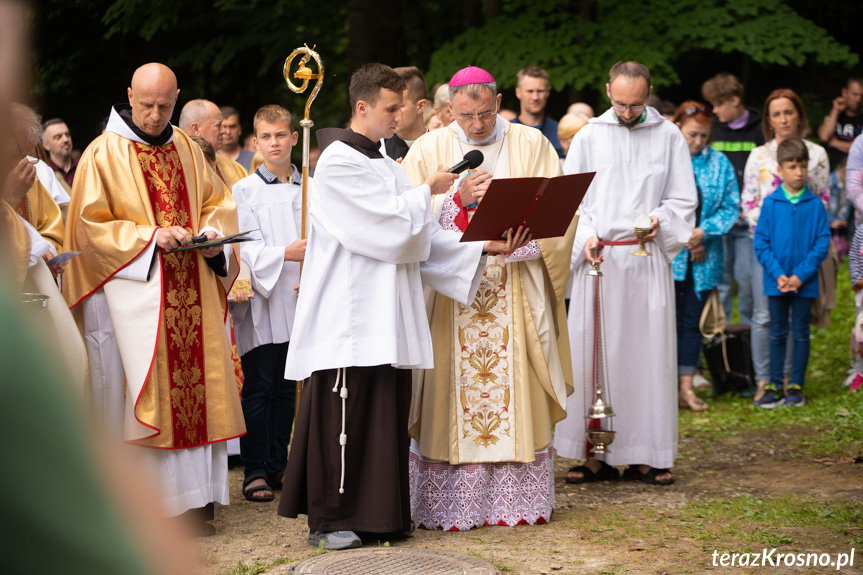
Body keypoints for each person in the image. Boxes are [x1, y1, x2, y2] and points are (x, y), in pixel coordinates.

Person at [278, 63, 514, 550]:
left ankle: (378, 516)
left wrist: (480, 247)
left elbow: (419, 239)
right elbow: (386, 232)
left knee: (382, 416)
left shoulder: (386, 164)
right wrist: (428, 191)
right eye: (391, 108)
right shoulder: (338, 161)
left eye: (402, 106)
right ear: (361, 107)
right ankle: (331, 518)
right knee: (345, 417)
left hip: (385, 314)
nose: (400, 115)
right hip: (349, 318)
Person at [63, 63, 245, 535]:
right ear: (129, 95)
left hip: (191, 292)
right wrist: (150, 236)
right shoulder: (104, 152)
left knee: (196, 387)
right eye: (146, 105)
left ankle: (196, 502)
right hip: (137, 300)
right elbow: (88, 227)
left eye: (165, 105)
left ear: (177, 97)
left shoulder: (186, 145)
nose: (155, 115)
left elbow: (218, 203)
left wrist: (210, 232)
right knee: (146, 397)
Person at [402, 65, 574, 530]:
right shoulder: (429, 149)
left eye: (483, 113)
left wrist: (527, 239)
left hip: (514, 285)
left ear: (497, 100)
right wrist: (453, 200)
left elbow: (561, 211)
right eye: (465, 115)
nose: (476, 125)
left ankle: (515, 501)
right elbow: (403, 216)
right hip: (449, 294)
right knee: (446, 392)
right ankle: (449, 504)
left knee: (518, 385)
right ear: (447, 110)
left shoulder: (532, 143)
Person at [555, 61, 697, 486]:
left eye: (636, 104)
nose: (628, 112)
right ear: (607, 92)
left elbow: (683, 199)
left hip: (645, 258)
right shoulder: (589, 136)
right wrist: (586, 237)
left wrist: (659, 220)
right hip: (599, 260)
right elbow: (571, 200)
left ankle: (647, 454)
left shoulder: (669, 135)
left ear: (648, 93)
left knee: (647, 357)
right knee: (596, 357)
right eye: (620, 103)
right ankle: (594, 455)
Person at [230, 104, 305, 503]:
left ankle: (280, 463)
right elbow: (245, 248)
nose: (274, 143)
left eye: (281, 135)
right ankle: (255, 467)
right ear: (255, 142)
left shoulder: (309, 189)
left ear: (294, 138)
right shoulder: (245, 191)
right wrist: (286, 255)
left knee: (287, 386)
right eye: (266, 137)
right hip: (264, 298)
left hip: (301, 298)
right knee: (259, 386)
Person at [741, 88, 830, 400]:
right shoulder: (759, 156)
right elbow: (750, 202)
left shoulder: (816, 154)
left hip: (804, 256)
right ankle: (768, 381)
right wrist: (776, 263)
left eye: (789, 112)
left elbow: (822, 202)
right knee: (767, 319)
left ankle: (794, 380)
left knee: (799, 326)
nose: (783, 119)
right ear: (768, 119)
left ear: (799, 114)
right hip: (769, 255)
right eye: (776, 113)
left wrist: (800, 272)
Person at [670, 102, 739, 411]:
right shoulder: (667, 159)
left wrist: (702, 233)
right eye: (692, 135)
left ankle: (686, 387)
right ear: (677, 129)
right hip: (669, 255)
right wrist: (685, 236)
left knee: (691, 322)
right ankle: (661, 387)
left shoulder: (720, 162)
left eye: (704, 135)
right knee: (664, 320)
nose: (698, 141)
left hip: (704, 258)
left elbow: (730, 206)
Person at [702, 73, 766, 324]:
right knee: (722, 282)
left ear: (735, 100)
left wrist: (746, 211)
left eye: (718, 104)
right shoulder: (711, 128)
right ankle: (723, 342)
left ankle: (751, 340)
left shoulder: (760, 128)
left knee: (748, 282)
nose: (714, 110)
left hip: (746, 223)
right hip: (718, 221)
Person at [179, 99, 248, 186]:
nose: (224, 131)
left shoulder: (235, 169)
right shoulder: (174, 166)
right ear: (196, 129)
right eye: (218, 126)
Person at [511, 66, 564, 158]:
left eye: (540, 91)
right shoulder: (506, 132)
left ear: (548, 92)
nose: (535, 97)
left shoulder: (560, 132)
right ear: (518, 92)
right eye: (530, 91)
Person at [384, 66, 428, 161]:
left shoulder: (442, 146)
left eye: (399, 106)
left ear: (420, 106)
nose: (391, 113)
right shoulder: (379, 151)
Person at [817, 78, 863, 165]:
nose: (858, 100)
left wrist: (835, 142)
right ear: (845, 92)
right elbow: (824, 136)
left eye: (862, 96)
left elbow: (860, 149)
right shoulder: (836, 114)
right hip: (833, 173)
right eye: (854, 94)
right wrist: (836, 110)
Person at [41, 117, 78, 192]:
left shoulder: (85, 168)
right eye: (58, 137)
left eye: (67, 134)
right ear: (46, 145)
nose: (65, 139)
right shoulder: (43, 175)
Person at [219, 106, 256, 172]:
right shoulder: (208, 160)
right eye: (223, 127)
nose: (228, 132)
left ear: (239, 129)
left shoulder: (254, 159)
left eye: (232, 127)